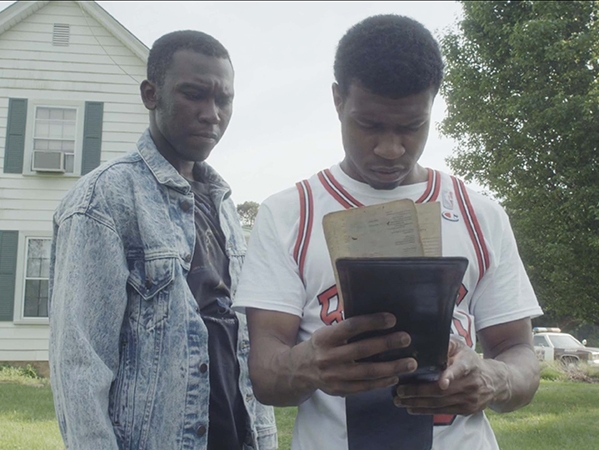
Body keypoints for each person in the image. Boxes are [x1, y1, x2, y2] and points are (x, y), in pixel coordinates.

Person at [232, 14, 542, 450]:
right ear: (338, 101)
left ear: (433, 105)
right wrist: (308, 366)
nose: (390, 148)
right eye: (370, 125)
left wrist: (494, 378)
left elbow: (521, 355)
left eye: (412, 127)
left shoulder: (479, 212)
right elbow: (265, 374)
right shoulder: (289, 214)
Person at [48, 30, 277, 450]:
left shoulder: (222, 202)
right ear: (151, 94)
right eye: (194, 94)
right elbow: (80, 368)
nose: (212, 114)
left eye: (223, 100)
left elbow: (238, 340)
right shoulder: (104, 201)